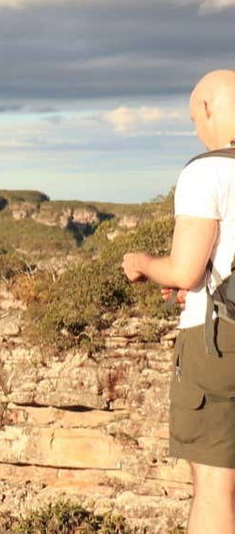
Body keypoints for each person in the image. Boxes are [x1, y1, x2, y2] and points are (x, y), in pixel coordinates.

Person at [124, 68, 235, 534]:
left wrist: (144, 263)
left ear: (208, 108)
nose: (196, 130)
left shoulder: (207, 170)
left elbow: (185, 271)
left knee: (214, 484)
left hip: (220, 342)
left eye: (194, 119)